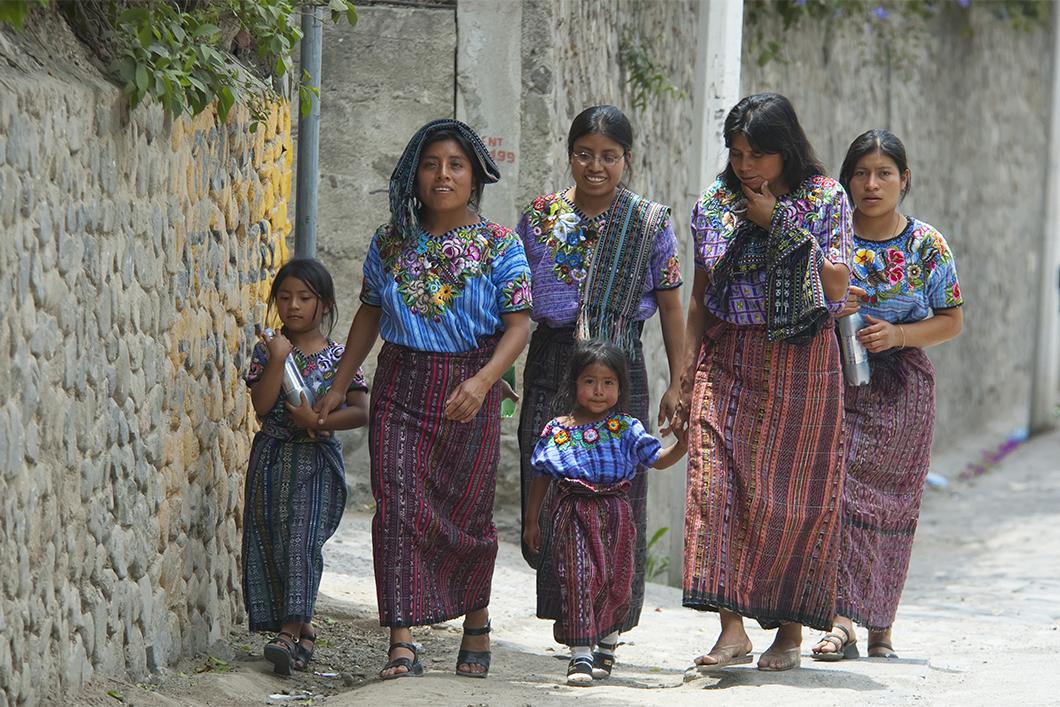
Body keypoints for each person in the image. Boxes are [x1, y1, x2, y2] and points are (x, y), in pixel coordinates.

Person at [315, 119, 532, 680]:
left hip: (470, 386)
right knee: (397, 508)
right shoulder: (390, 242)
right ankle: (402, 641)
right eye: (432, 164)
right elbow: (368, 311)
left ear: (474, 175)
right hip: (401, 385)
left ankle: (476, 621)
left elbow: (519, 326)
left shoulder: (500, 244)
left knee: (468, 512)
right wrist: (342, 380)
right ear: (414, 175)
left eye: (455, 165)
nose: (443, 175)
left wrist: (483, 381)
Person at [675, 93, 853, 672]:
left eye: (759, 154)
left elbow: (834, 285)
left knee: (790, 498)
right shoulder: (714, 204)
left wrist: (778, 223)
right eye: (737, 151)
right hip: (729, 356)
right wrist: (683, 372)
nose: (746, 164)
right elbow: (700, 297)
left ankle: (789, 632)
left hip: (801, 363)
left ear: (786, 151)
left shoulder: (826, 198)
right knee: (714, 485)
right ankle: (732, 631)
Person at [516, 105, 685, 671]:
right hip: (553, 362)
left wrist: (677, 383)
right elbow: (513, 303)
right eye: (585, 153)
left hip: (622, 366)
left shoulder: (649, 223)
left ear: (627, 161)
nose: (596, 165)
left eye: (609, 156)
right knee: (554, 488)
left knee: (620, 499)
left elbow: (670, 305)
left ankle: (610, 627)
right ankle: (576, 629)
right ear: (570, 155)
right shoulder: (539, 219)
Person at [811, 129, 963, 662]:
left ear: (905, 180)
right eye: (860, 173)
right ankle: (842, 618)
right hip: (839, 379)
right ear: (846, 178)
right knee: (841, 494)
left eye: (884, 173)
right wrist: (833, 306)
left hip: (904, 387)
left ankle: (880, 623)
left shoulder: (927, 244)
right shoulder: (830, 240)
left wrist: (898, 334)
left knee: (894, 505)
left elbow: (952, 320)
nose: (871, 184)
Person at [524, 339, 687, 686]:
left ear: (620, 387)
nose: (599, 391)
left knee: (615, 579)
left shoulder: (627, 429)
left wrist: (682, 445)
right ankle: (580, 655)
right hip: (572, 512)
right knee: (578, 578)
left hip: (616, 514)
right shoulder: (558, 430)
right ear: (574, 384)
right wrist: (531, 521)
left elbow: (657, 459)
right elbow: (540, 475)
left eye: (608, 382)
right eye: (590, 381)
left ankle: (608, 642)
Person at [243, 258, 370, 675]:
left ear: (324, 303)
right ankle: (303, 633)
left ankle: (286, 633)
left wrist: (319, 422)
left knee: (301, 542)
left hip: (315, 461)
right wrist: (279, 358)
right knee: (274, 543)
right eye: (284, 297)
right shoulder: (268, 350)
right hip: (272, 459)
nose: (293, 305)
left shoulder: (339, 358)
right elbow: (262, 407)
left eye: (304, 297)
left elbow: (361, 410)